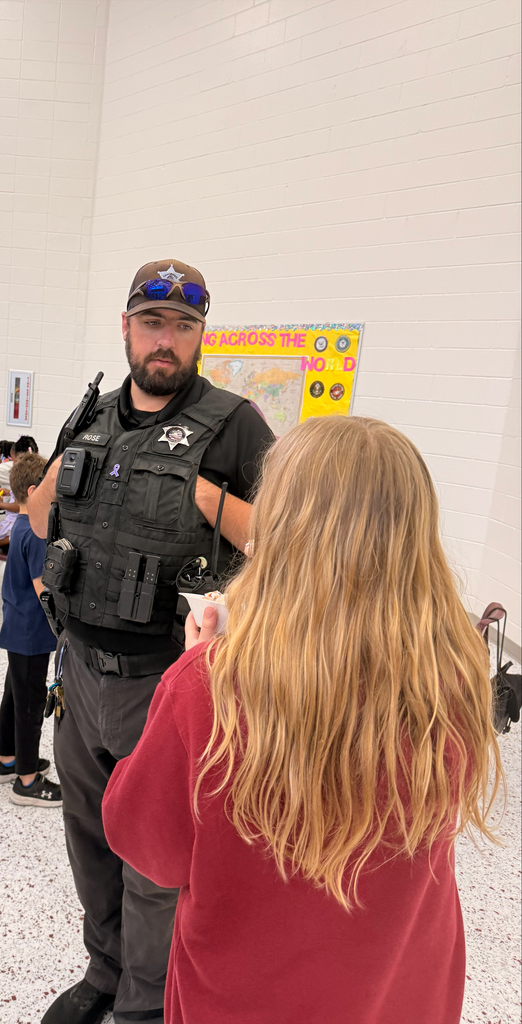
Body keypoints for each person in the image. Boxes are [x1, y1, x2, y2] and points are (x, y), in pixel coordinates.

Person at [101, 416, 503, 1024]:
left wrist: (190, 665)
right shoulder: (457, 680)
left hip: (242, 1000)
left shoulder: (209, 685)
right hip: (401, 991)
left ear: (281, 529)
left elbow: (147, 845)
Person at [27, 260, 275, 1024]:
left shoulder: (236, 424)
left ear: (201, 335)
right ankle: (103, 971)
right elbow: (40, 524)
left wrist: (210, 500)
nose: (165, 342)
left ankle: (141, 1004)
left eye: (183, 327)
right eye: (152, 323)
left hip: (170, 681)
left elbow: (282, 543)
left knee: (155, 859)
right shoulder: (92, 414)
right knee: (89, 838)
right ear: (127, 328)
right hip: (79, 672)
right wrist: (55, 477)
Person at [0, 451, 61, 806]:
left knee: (14, 696)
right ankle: (28, 781)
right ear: (35, 491)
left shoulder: (19, 524)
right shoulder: (36, 533)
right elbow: (43, 590)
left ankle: (8, 760)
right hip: (33, 633)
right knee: (31, 703)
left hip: (16, 627)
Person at [0, 436, 38, 551]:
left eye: (12, 459)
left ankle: (15, 537)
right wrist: (10, 492)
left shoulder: (21, 475)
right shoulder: (34, 472)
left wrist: (0, 504)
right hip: (29, 520)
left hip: (19, 519)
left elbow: (19, 506)